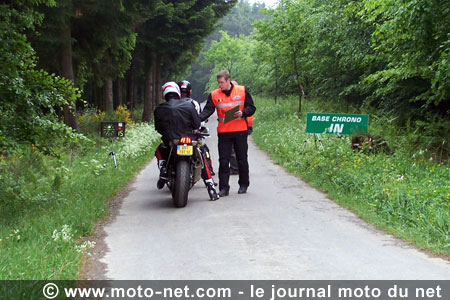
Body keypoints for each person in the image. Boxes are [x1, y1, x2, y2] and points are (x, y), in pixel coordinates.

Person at [200, 71, 256, 197]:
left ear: (228, 80)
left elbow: (252, 108)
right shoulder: (214, 95)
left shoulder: (242, 91)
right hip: (224, 133)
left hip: (240, 131)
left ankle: (243, 184)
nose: (220, 85)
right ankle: (224, 188)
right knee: (223, 161)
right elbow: (207, 111)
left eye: (222, 82)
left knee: (242, 159)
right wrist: (196, 119)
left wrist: (243, 113)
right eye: (218, 83)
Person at [154, 81, 200, 190]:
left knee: (160, 150)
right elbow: (197, 124)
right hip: (189, 139)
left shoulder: (159, 109)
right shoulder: (189, 105)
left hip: (170, 140)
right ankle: (209, 183)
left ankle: (163, 169)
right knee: (200, 153)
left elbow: (158, 128)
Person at [177, 80, 219, 200]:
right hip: (191, 136)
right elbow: (199, 121)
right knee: (202, 155)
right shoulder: (194, 103)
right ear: (190, 91)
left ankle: (164, 173)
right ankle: (210, 185)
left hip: (176, 136)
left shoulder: (171, 103)